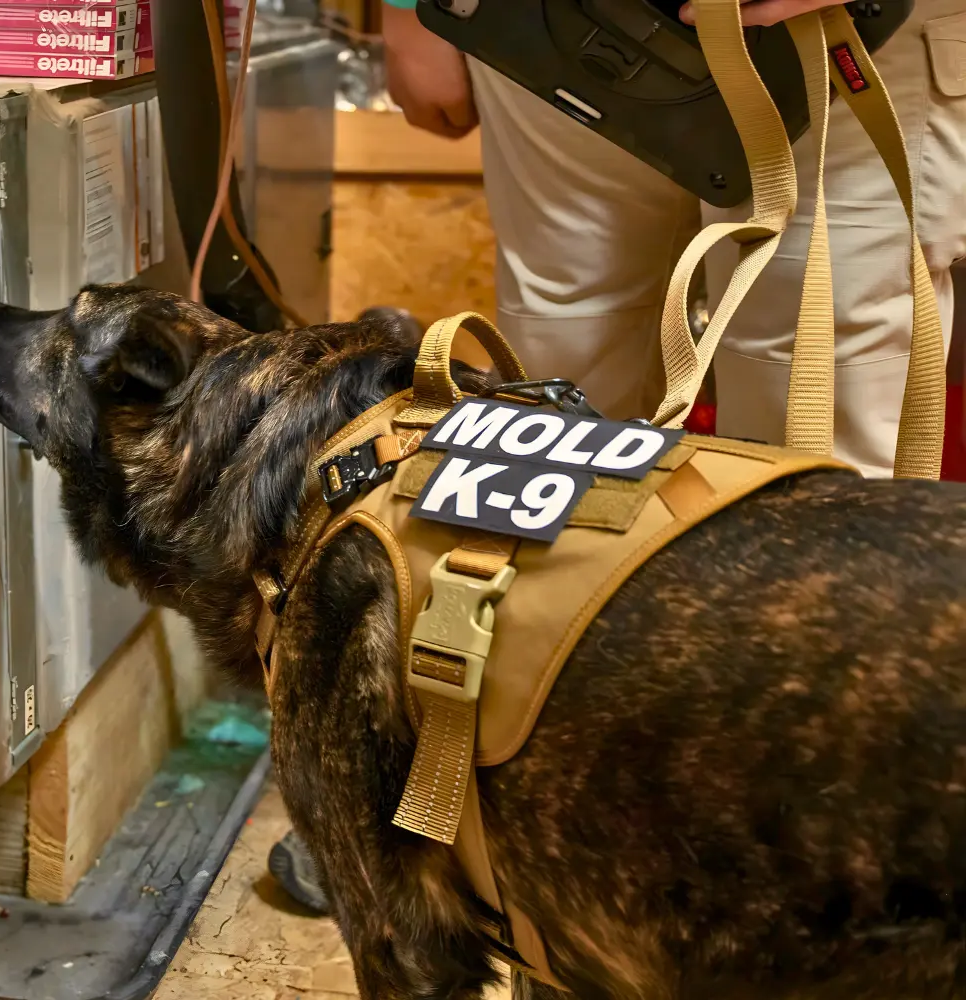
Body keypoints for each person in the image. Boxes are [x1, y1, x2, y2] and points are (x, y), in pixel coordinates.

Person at [265, 0, 966, 916]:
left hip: (857, 33)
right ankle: (482, 808)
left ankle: (811, 843)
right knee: (549, 441)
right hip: (558, 24)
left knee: (822, 449)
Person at [382, 0, 966, 477]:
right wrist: (407, 8)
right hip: (548, 29)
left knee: (811, 432)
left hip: (842, 40)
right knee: (560, 413)